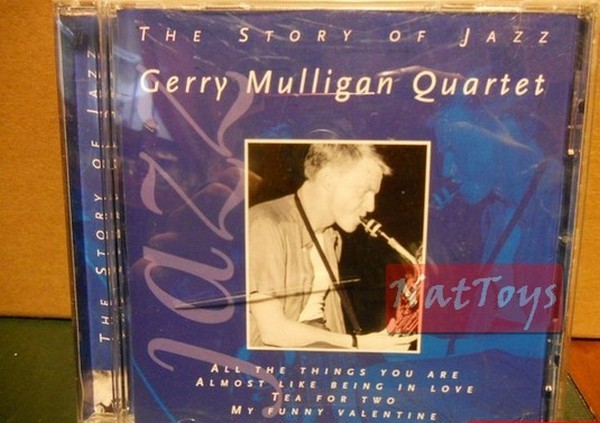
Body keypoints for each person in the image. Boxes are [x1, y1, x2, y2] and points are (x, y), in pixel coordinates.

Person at [248, 143, 417, 351]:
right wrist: (358, 343)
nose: (371, 206)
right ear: (328, 180)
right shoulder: (265, 223)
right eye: (363, 192)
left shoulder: (331, 237)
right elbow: (273, 331)